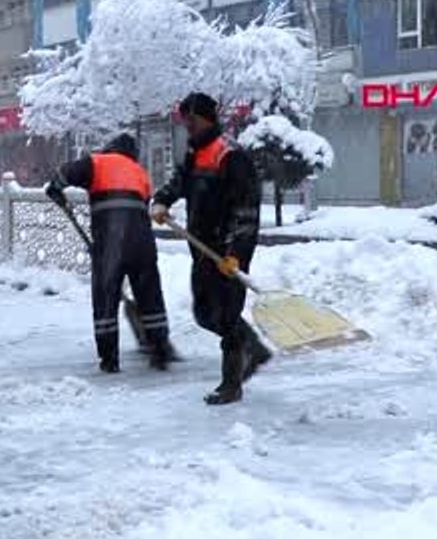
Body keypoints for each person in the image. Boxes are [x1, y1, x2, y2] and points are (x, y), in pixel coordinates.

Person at [152, 93, 271, 405]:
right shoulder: (196, 152)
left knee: (228, 317)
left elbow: (246, 211)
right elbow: (180, 181)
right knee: (205, 314)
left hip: (227, 252)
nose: (187, 126)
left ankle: (231, 384)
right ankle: (254, 348)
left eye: (191, 120)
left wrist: (237, 254)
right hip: (202, 249)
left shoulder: (231, 155)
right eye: (185, 121)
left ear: (206, 118)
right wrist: (162, 200)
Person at [45, 133, 175, 373]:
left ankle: (109, 359)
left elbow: (64, 174)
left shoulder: (96, 162)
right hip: (142, 244)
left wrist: (55, 188)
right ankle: (160, 349)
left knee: (105, 299)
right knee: (149, 295)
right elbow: (141, 204)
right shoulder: (140, 172)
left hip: (111, 244)